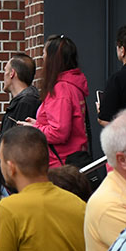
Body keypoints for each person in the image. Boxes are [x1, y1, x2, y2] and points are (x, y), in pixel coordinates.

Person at [26, 34, 89, 169]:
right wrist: (38, 124)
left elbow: (59, 132)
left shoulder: (60, 89)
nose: (42, 58)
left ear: (52, 60)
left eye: (44, 54)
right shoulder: (73, 85)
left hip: (59, 165)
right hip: (71, 160)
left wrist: (35, 129)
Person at [1, 54, 41, 134]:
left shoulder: (27, 103)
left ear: (12, 73)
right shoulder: (23, 101)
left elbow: (19, 138)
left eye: (5, 71)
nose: (4, 75)